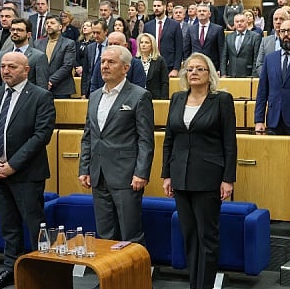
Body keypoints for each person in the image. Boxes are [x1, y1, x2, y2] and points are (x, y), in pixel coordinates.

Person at [0, 52, 55, 289]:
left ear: (26, 70)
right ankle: (11, 269)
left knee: (35, 224)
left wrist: (13, 165)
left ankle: (44, 271)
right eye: (2, 66)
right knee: (8, 224)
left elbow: (41, 135)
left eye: (12, 66)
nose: (6, 70)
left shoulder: (41, 96)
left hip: (27, 173)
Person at [162, 53, 236, 289]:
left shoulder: (222, 100)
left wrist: (228, 178)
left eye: (199, 69)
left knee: (207, 238)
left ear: (209, 74)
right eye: (190, 69)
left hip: (208, 176)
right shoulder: (177, 98)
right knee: (190, 236)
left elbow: (229, 142)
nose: (193, 72)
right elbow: (169, 139)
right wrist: (167, 174)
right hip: (180, 176)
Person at [79, 45, 154, 245]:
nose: (104, 66)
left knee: (131, 234)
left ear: (126, 68)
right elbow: (89, 136)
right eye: (103, 61)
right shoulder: (94, 96)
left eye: (111, 62)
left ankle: (136, 277)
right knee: (104, 234)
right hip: (98, 174)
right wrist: (84, 168)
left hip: (126, 175)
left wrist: (141, 173)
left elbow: (145, 139)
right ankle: (107, 276)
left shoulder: (139, 95)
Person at [0, 18, 50, 89]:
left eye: (19, 30)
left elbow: (42, 86)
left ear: (28, 34)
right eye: (13, 29)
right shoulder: (2, 55)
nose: (15, 32)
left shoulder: (38, 57)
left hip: (28, 97)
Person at [33, 16, 76, 99]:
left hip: (61, 88)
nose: (48, 25)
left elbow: (67, 65)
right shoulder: (37, 43)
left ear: (60, 27)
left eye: (52, 23)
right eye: (47, 23)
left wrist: (50, 81)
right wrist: (43, 82)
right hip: (40, 86)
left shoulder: (69, 43)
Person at [254, 8, 290, 75]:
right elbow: (259, 64)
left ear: (288, 21)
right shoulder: (265, 41)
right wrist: (269, 77)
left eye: (281, 19)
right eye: (275, 19)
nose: (278, 22)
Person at [144, 0, 183, 77]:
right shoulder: (148, 26)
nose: (156, 8)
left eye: (159, 6)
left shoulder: (174, 25)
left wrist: (176, 68)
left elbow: (179, 48)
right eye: (154, 6)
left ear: (165, 7)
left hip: (169, 65)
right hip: (151, 64)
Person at [185, 4, 226, 73]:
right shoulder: (191, 29)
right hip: (195, 67)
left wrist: (220, 69)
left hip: (213, 67)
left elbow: (221, 51)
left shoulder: (218, 29)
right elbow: (187, 50)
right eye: (199, 11)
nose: (201, 13)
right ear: (197, 14)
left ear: (209, 14)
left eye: (204, 11)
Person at [81, 20, 109, 97]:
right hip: (92, 88)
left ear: (106, 31)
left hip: (107, 86)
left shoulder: (111, 46)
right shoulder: (90, 48)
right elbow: (86, 72)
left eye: (98, 33)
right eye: (94, 33)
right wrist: (83, 92)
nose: (95, 36)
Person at [137, 33, 169, 99]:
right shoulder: (135, 60)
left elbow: (164, 82)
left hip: (155, 97)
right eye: (141, 42)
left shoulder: (159, 60)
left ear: (152, 45)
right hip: (138, 96)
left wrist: (163, 99)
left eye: (146, 42)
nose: (143, 45)